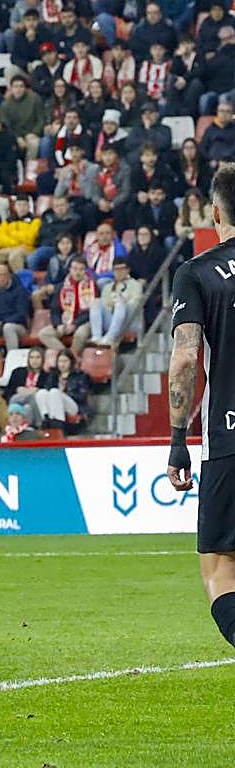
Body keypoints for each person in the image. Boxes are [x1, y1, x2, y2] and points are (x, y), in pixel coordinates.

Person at [167, 165, 235, 664]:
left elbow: (186, 357)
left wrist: (177, 440)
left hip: (229, 435)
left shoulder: (197, 272)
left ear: (215, 213)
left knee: (220, 566)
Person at [89, 257, 143, 346]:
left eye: (122, 269)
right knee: (96, 302)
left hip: (129, 320)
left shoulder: (136, 285)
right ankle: (96, 337)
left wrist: (119, 302)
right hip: (112, 319)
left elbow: (135, 303)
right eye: (116, 269)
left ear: (128, 270)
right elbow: (105, 304)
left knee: (120, 303)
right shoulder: (108, 287)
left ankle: (110, 338)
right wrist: (115, 304)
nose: (119, 272)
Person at [33, 350, 90, 429]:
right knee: (41, 392)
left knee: (55, 392)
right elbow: (47, 389)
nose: (62, 364)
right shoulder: (53, 374)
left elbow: (82, 396)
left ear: (71, 362)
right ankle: (46, 418)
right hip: (54, 403)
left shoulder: (79, 375)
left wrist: (65, 393)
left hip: (74, 405)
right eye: (60, 361)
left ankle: (58, 423)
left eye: (65, 361)